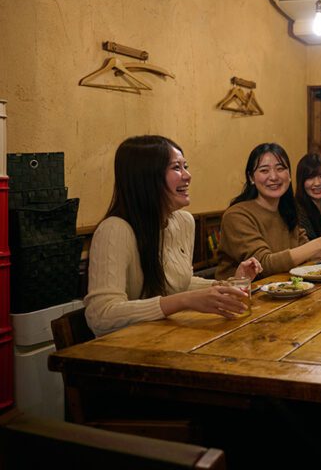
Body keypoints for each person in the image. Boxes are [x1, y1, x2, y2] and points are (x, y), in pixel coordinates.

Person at [85, 135, 262, 337]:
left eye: (185, 166)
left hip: (166, 340)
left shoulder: (183, 221)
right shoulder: (114, 230)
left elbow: (180, 283)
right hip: (126, 354)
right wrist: (184, 300)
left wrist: (230, 285)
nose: (187, 175)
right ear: (146, 177)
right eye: (176, 168)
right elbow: (100, 316)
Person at [215, 143, 321, 279]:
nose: (274, 177)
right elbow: (263, 264)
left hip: (288, 291)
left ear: (290, 175)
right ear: (251, 177)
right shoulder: (237, 215)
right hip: (243, 297)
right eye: (264, 170)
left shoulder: (287, 211)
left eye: (280, 169)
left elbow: (309, 254)